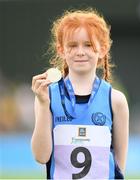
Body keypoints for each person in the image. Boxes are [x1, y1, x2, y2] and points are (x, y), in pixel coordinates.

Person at [31, 8, 129, 180]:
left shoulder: (115, 100)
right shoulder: (47, 96)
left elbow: (119, 166)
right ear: (61, 50)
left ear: (103, 49)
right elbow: (41, 156)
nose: (80, 52)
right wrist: (43, 103)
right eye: (73, 45)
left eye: (88, 45)